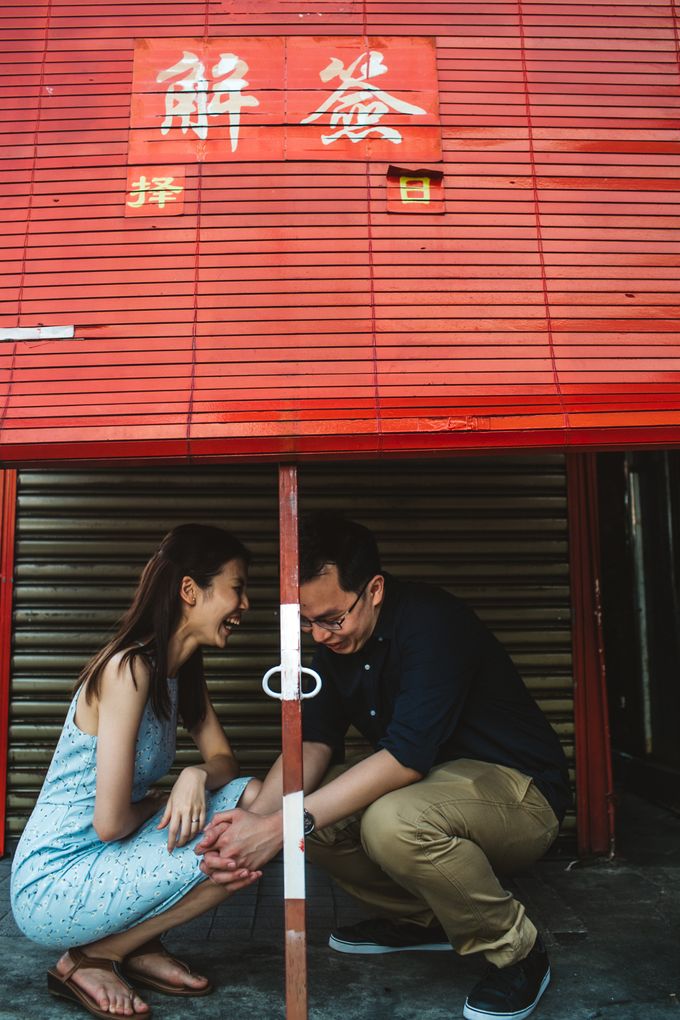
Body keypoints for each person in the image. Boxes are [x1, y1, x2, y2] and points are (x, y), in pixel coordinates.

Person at [197, 511, 571, 1020]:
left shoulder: (433, 622)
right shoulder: (333, 642)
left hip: (520, 792)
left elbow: (405, 759)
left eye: (332, 618)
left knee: (390, 822)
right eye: (307, 621)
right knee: (319, 822)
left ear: (374, 589)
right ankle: (432, 920)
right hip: (435, 785)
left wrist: (282, 828)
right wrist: (256, 824)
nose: (321, 635)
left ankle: (518, 952)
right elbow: (312, 743)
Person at [11, 523, 263, 1020]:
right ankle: (94, 956)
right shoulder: (129, 669)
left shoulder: (180, 673)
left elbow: (224, 764)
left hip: (106, 856)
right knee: (236, 838)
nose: (246, 604)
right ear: (191, 590)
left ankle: (137, 944)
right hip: (54, 879)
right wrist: (162, 801)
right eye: (237, 588)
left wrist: (192, 776)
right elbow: (109, 823)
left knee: (256, 804)